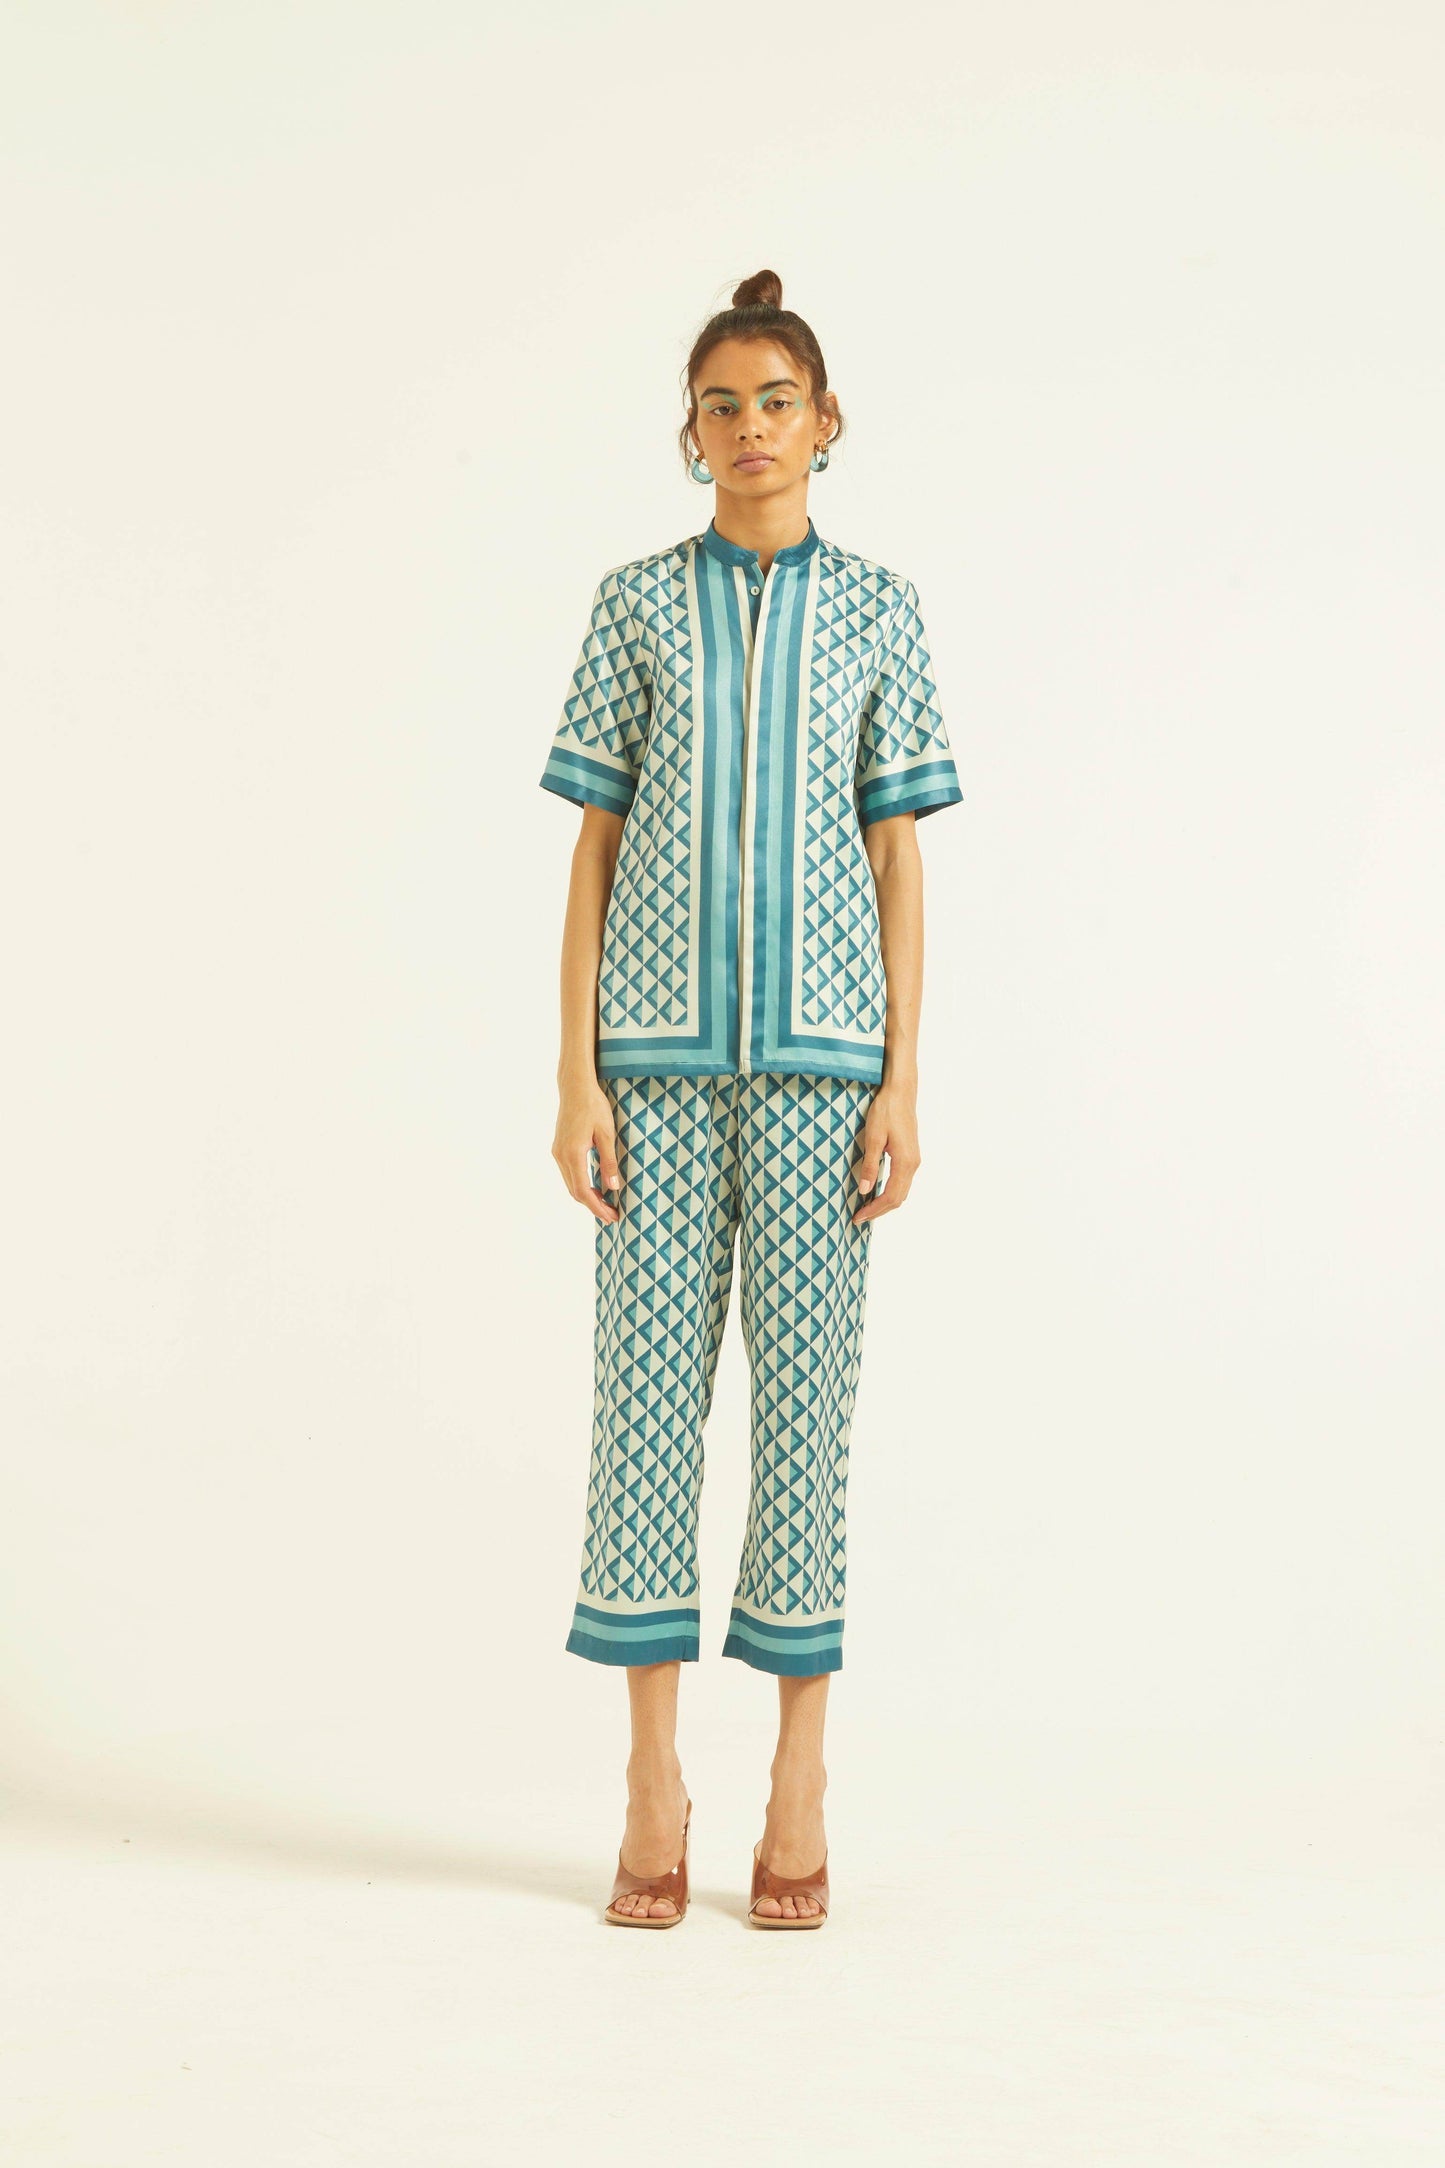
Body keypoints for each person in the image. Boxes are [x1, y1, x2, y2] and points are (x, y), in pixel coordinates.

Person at [539, 268, 963, 1929]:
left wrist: (901, 1076)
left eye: (774, 401)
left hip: (821, 1075)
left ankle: (799, 1779)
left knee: (804, 1419)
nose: (747, 428)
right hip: (646, 1077)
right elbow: (592, 846)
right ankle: (651, 1782)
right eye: (719, 405)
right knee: (642, 1418)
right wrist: (573, 1068)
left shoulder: (882, 611)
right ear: (691, 432)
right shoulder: (633, 605)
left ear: (824, 421)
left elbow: (896, 855)